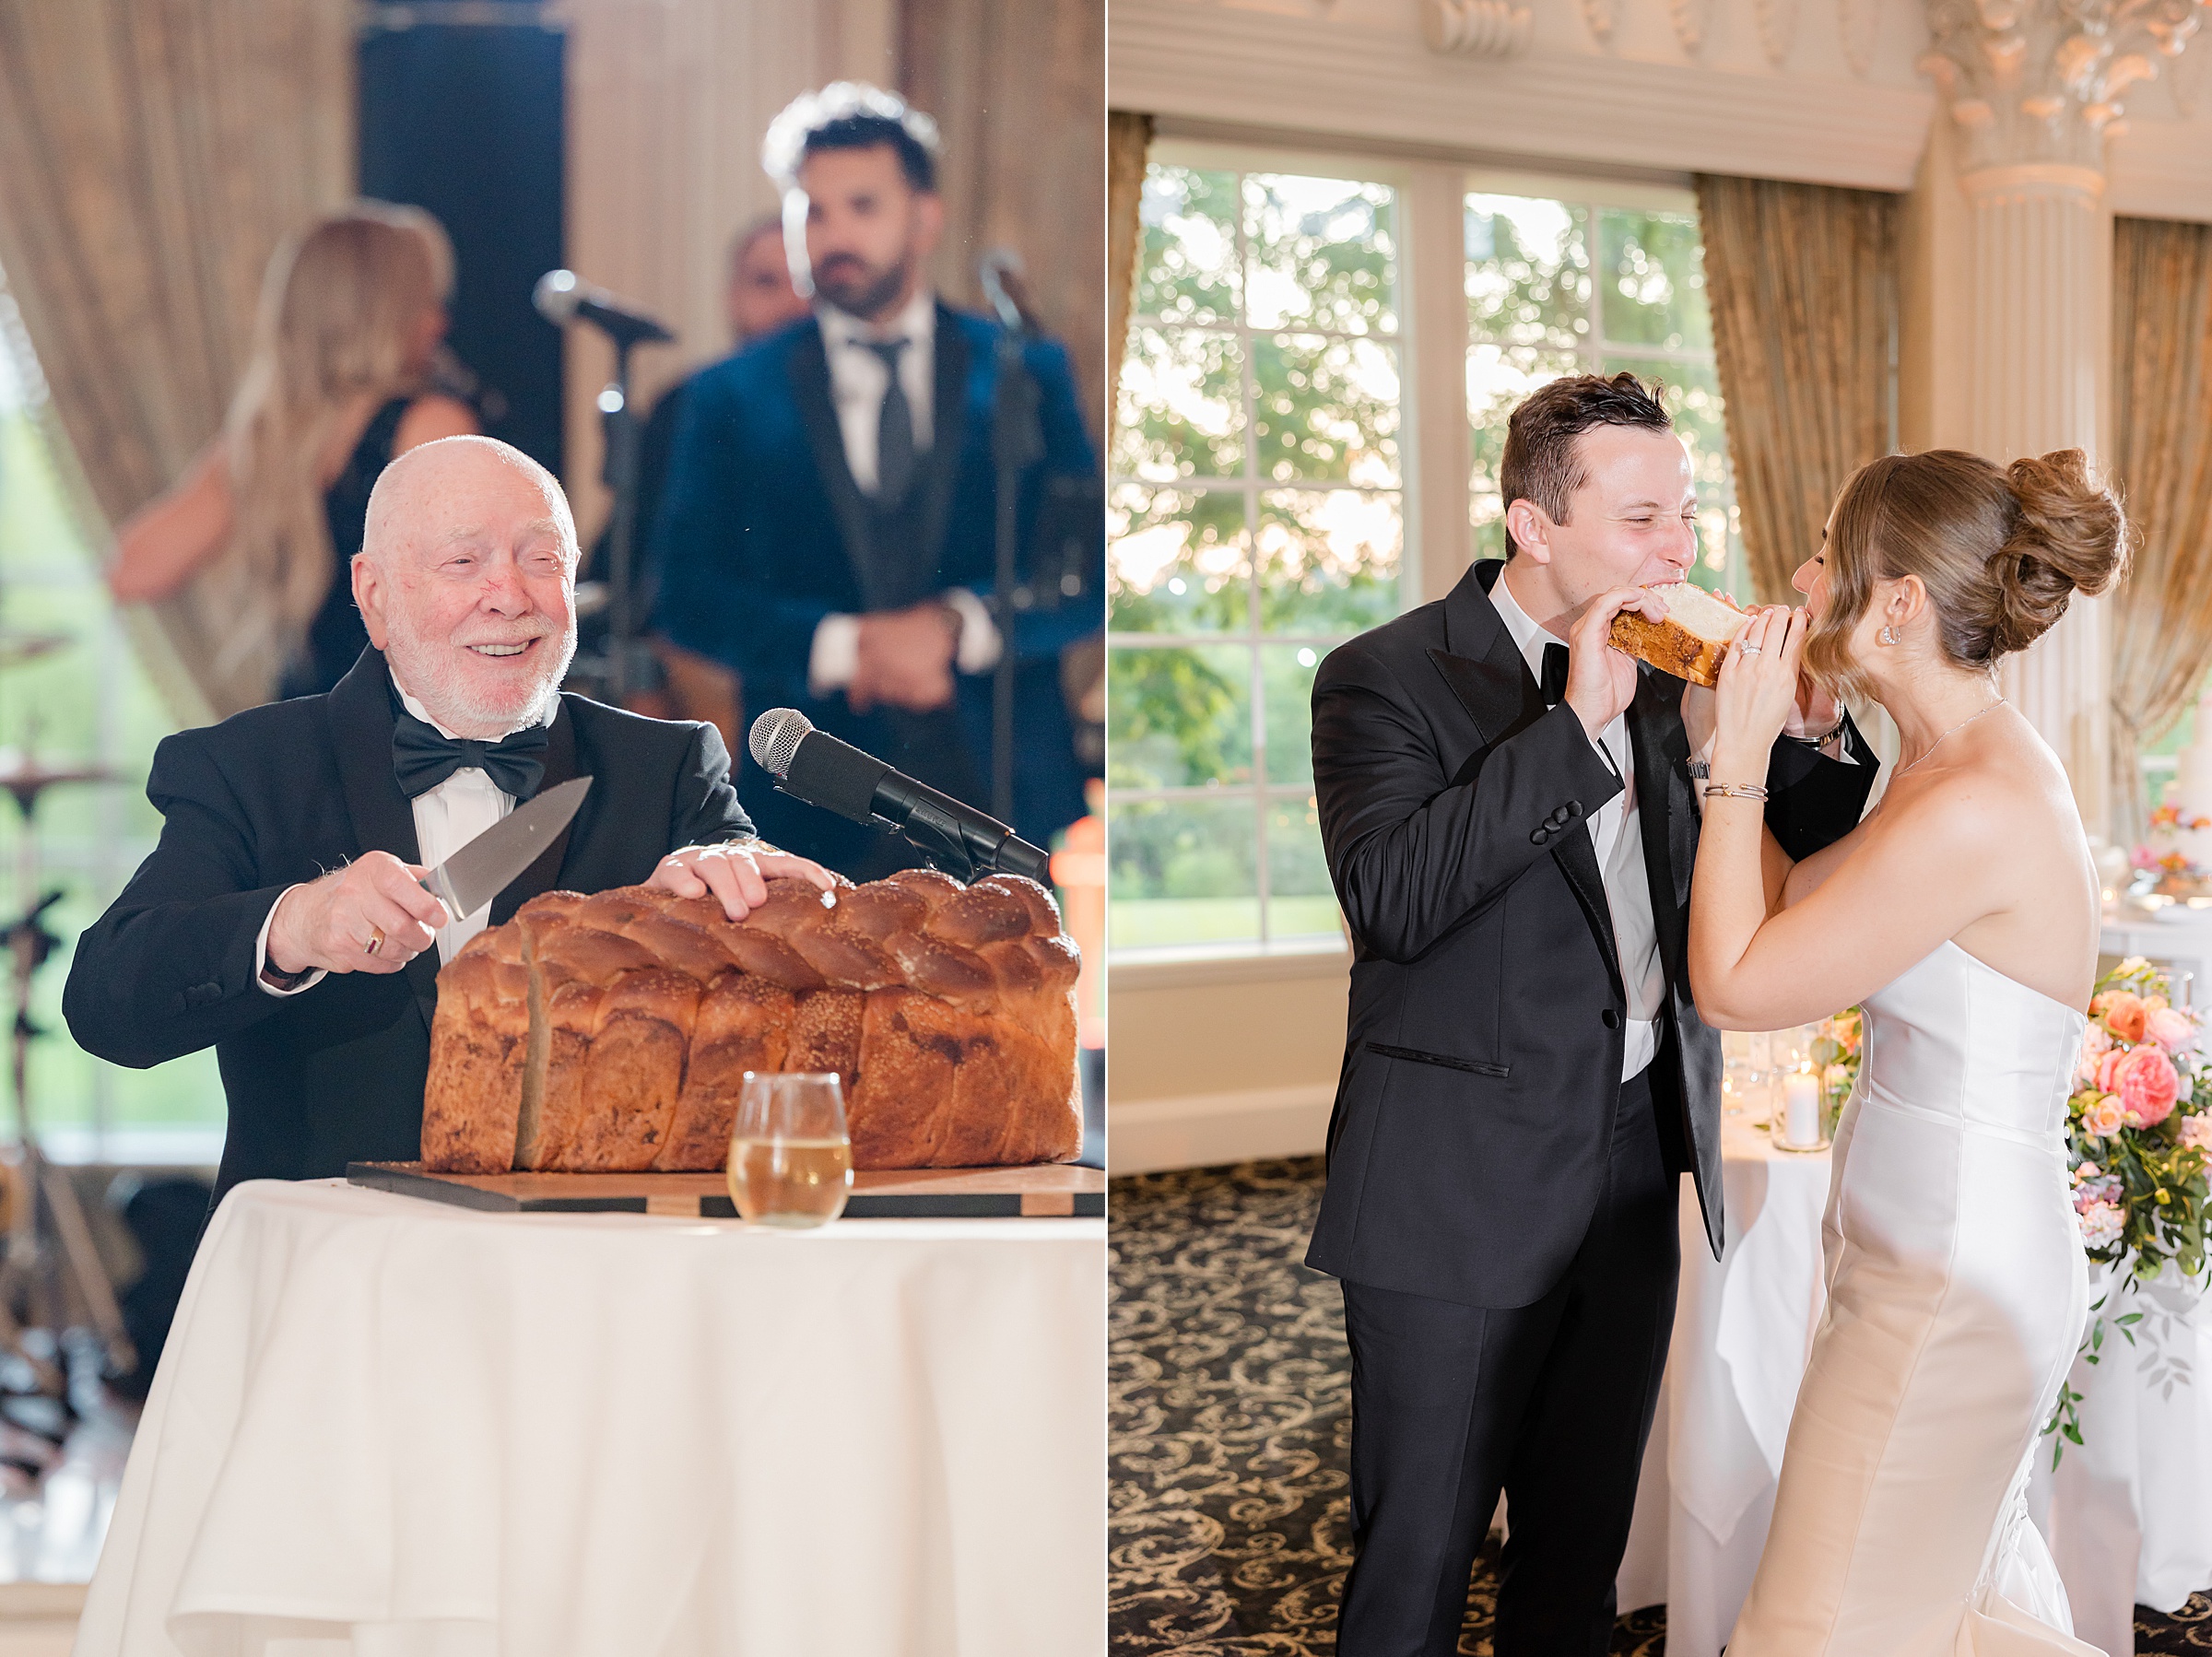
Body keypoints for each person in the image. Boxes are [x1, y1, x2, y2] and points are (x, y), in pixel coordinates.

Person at [1302, 372, 1880, 1655]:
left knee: (1576, 1566)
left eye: (1683, 514)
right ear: (1533, 523)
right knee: (1413, 1573)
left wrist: (1818, 728)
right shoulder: (1383, 676)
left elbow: (1835, 845)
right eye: (1640, 519)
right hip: (1450, 1192)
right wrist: (1576, 727)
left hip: (1629, 1174)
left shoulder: (1691, 667)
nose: (1677, 548)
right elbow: (1395, 900)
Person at [65, 436, 834, 1206]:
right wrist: (294, 925)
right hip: (332, 1274)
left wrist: (728, 919)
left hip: (593, 1274)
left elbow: (779, 994)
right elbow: (107, 1004)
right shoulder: (248, 766)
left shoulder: (667, 769)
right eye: (462, 563)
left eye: (541, 561)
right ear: (373, 595)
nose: (509, 595)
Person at [1691, 450, 2126, 1655]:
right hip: (1926, 1255)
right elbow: (1785, 914)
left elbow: (1735, 985)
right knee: (1911, 1617)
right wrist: (1713, 735)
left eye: (1828, 552)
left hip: (1951, 1285)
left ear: (1896, 603)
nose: (1799, 575)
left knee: (1813, 1627)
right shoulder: (1942, 769)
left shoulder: (1975, 800)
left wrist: (1737, 759)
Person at [651, 83, 1100, 876]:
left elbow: (1088, 576)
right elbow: (683, 594)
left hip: (999, 791)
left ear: (924, 217)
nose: (834, 236)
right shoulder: (726, 394)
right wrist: (845, 646)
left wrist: (960, 627)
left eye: (862, 205)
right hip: (804, 799)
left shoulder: (1026, 369)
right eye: (811, 211)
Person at [106, 203, 482, 701]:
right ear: (382, 314)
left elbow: (131, 570)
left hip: (300, 728)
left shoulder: (271, 439)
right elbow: (477, 604)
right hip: (400, 737)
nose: (438, 322)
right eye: (423, 303)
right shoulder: (430, 425)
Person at [590, 215, 812, 748]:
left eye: (804, 286)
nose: (788, 307)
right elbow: (631, 557)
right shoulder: (689, 405)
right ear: (732, 296)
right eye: (765, 283)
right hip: (702, 668)